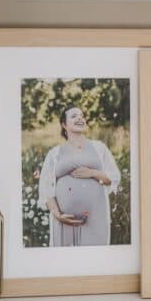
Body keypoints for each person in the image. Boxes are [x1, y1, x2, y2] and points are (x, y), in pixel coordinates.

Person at [38, 106, 121, 247]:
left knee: (95, 260)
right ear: (64, 124)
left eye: (82, 116)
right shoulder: (55, 153)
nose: (80, 118)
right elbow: (46, 187)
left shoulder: (99, 148)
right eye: (74, 116)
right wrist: (57, 214)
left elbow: (114, 177)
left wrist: (93, 173)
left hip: (95, 218)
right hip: (64, 221)